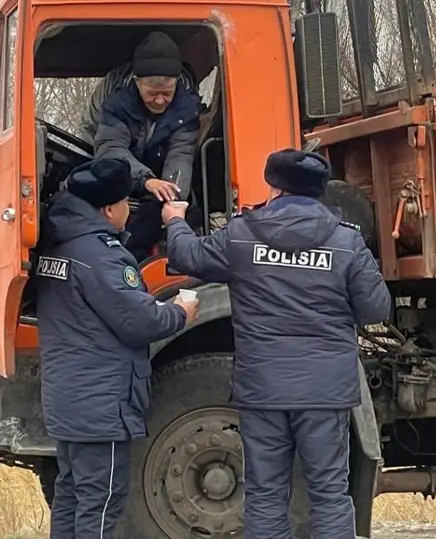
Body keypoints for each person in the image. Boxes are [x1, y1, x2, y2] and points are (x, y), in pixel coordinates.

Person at [160, 148, 393, 539]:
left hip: (264, 389)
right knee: (330, 495)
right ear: (321, 191)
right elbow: (375, 309)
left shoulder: (242, 234)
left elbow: (185, 256)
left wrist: (176, 220)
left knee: (266, 495)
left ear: (275, 188)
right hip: (325, 391)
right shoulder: (346, 244)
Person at [35, 157, 199, 539]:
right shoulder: (101, 256)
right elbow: (139, 321)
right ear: (109, 209)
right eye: (127, 202)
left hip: (69, 400)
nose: (130, 210)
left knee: (72, 496)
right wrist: (180, 312)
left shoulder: (58, 245)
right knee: (102, 503)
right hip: (101, 405)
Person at [93, 30, 202, 262]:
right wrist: (145, 179)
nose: (160, 100)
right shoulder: (116, 105)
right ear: (137, 83)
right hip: (124, 180)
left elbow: (181, 155)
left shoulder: (187, 109)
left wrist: (172, 197)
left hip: (160, 185)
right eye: (153, 93)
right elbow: (110, 148)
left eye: (167, 93)